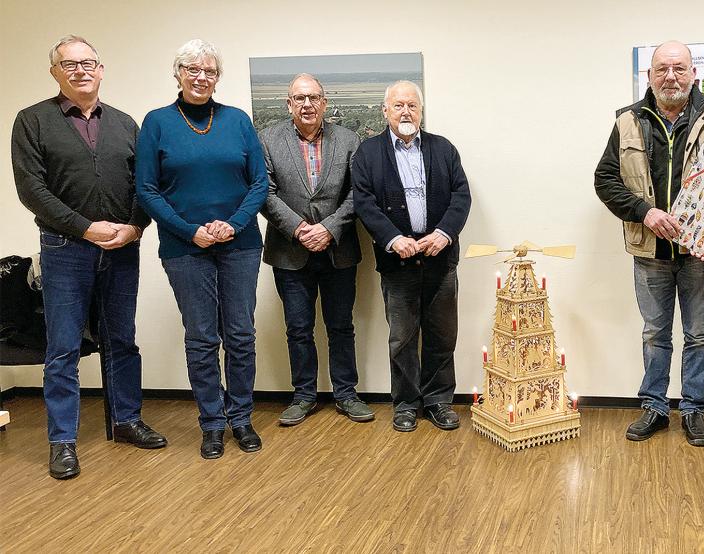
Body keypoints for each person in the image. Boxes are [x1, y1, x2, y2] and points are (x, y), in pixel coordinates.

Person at [12, 35, 167, 480]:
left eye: (88, 63)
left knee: (122, 340)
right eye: (70, 64)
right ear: (55, 72)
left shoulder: (124, 123)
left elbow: (146, 185)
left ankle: (126, 420)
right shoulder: (32, 121)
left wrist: (135, 227)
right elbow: (32, 191)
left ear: (101, 70)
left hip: (122, 248)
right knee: (62, 348)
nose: (80, 71)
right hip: (65, 250)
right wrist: (84, 227)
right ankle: (62, 441)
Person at [595, 41, 704, 447]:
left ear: (693, 73)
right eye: (661, 69)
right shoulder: (627, 121)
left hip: (700, 252)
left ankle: (693, 410)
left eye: (678, 68)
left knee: (699, 335)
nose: (670, 76)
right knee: (655, 334)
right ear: (650, 76)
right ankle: (654, 407)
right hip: (650, 253)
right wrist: (644, 211)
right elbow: (605, 180)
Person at [136, 39, 268, 459]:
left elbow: (259, 182)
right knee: (202, 338)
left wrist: (233, 224)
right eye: (192, 69)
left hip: (240, 245)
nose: (201, 77)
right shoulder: (156, 122)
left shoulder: (237, 121)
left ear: (217, 77)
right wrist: (190, 230)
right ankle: (212, 423)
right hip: (184, 248)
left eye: (209, 71)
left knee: (241, 336)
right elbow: (147, 190)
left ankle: (241, 418)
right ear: (177, 74)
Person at [352, 80, 471, 432]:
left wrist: (444, 234)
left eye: (412, 106)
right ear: (385, 111)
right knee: (401, 337)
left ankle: (438, 402)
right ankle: (405, 404)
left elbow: (460, 196)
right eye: (398, 105)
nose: (406, 111)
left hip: (440, 257)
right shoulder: (368, 153)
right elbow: (364, 202)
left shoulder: (443, 149)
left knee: (442, 334)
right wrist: (392, 239)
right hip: (397, 261)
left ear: (421, 111)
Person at [259, 74, 372, 426]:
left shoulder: (350, 140)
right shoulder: (267, 139)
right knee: (298, 328)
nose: (307, 104)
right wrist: (298, 229)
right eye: (299, 98)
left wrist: (329, 228)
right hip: (289, 252)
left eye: (313, 98)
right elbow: (264, 191)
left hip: (338, 251)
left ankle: (346, 394)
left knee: (341, 326)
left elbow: (359, 193)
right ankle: (304, 395)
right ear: (288, 104)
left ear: (324, 102)